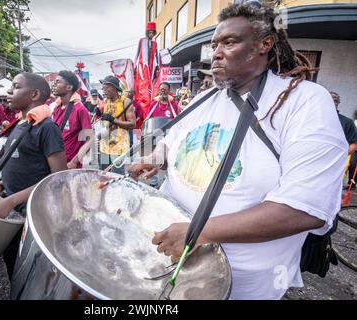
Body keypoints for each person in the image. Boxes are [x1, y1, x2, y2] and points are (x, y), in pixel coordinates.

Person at [128, 2, 347, 300]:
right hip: (169, 255)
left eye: (229, 42)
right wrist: (156, 158)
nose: (216, 52)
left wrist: (196, 232)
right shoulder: (203, 98)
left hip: (243, 282)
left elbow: (304, 208)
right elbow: (174, 142)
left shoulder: (304, 101)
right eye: (215, 44)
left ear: (264, 44)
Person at [0, 72, 67, 279]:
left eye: (16, 86)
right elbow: (20, 163)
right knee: (11, 260)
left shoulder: (47, 128)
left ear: (34, 94)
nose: (9, 92)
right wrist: (1, 186)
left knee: (27, 269)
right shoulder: (21, 124)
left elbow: (58, 177)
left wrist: (12, 200)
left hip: (31, 211)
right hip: (12, 207)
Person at [52, 71, 93, 169]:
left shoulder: (80, 109)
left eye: (58, 82)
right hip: (56, 163)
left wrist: (74, 161)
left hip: (70, 166)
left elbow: (90, 139)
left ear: (69, 87)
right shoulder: (56, 108)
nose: (54, 84)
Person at [99, 75, 136, 174]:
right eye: (102, 88)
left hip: (119, 146)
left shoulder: (125, 102)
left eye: (106, 88)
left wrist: (113, 120)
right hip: (104, 145)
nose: (103, 90)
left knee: (116, 175)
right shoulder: (105, 101)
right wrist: (100, 115)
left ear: (114, 88)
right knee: (104, 174)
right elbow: (105, 120)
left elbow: (132, 124)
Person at [331, 91, 357, 188]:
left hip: (334, 164)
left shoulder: (347, 122)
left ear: (338, 103)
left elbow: (354, 143)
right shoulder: (312, 118)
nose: (333, 102)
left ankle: (351, 184)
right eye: (330, 99)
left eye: (335, 100)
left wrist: (341, 156)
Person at [135, 21, 161, 116]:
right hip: (142, 66)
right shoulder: (142, 41)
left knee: (150, 84)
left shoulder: (155, 43)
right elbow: (137, 54)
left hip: (151, 66)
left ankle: (149, 103)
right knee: (143, 84)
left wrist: (157, 66)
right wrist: (135, 66)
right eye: (149, 32)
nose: (151, 34)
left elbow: (156, 56)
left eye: (152, 32)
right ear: (147, 32)